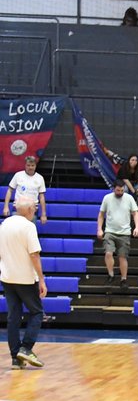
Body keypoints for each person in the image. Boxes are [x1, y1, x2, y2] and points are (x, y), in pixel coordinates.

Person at [0, 201, 46, 370]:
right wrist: (41, 279)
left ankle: (16, 359)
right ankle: (26, 348)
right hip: (25, 279)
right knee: (37, 312)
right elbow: (34, 255)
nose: (35, 209)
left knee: (13, 316)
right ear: (28, 209)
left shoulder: (4, 224)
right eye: (34, 207)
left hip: (7, 277)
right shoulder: (28, 226)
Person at [97, 181, 138, 289]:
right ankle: (111, 274)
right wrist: (99, 229)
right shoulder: (107, 198)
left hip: (124, 232)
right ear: (113, 189)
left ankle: (123, 279)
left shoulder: (129, 198)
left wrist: (137, 227)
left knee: (122, 257)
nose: (120, 192)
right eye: (118, 190)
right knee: (108, 253)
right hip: (110, 231)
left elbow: (135, 213)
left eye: (122, 190)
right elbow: (101, 214)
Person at [4, 156, 47, 224]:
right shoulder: (18, 175)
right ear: (25, 165)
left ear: (35, 166)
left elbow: (42, 197)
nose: (30, 167)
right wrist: (6, 207)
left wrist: (43, 214)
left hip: (32, 209)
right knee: (16, 229)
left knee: (30, 229)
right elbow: (9, 191)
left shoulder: (40, 178)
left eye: (32, 165)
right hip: (18, 208)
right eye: (28, 165)